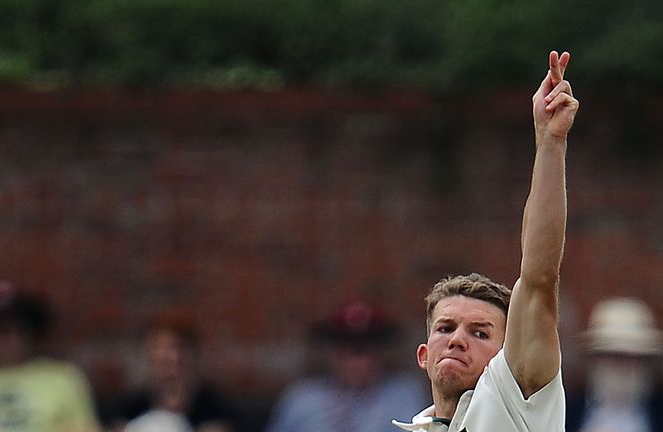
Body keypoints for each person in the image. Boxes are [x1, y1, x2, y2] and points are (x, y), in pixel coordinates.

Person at [393, 50, 578, 432]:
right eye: (445, 328)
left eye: (480, 333)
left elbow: (539, 275)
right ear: (424, 355)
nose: (457, 341)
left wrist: (550, 142)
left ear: (507, 353)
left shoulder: (514, 392)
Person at [265, 300, 429, 432]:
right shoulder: (302, 399)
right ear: (330, 352)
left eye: (363, 350)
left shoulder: (403, 395)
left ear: (381, 353)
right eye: (345, 349)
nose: (354, 361)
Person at [565, 297, 663, 432]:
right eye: (615, 356)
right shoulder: (567, 411)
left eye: (635, 358)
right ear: (595, 360)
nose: (625, 368)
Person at [103, 313, 244, 432]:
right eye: (157, 348)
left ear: (191, 354)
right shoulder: (130, 410)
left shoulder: (215, 411)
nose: (165, 356)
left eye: (175, 347)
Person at [0, 279, 101, 432]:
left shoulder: (62, 378)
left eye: (16, 328)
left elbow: (84, 428)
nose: (7, 338)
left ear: (31, 330)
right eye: (1, 329)